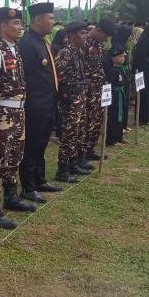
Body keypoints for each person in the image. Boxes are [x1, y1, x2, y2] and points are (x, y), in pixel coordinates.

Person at [0, 7, 36, 230]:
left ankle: (11, 197)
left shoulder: (15, 50)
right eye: (15, 24)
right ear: (3, 26)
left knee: (14, 155)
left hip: (18, 111)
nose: (20, 27)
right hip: (1, 113)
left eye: (20, 23)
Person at [17, 2, 63, 204]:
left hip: (47, 102)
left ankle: (39, 179)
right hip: (34, 104)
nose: (53, 22)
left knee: (42, 143)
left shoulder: (42, 42)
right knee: (32, 145)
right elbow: (23, 76)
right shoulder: (27, 44)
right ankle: (28, 187)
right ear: (37, 20)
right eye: (50, 18)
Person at [54, 22, 90, 182]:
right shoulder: (65, 53)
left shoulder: (79, 52)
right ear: (72, 36)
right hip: (69, 100)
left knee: (78, 132)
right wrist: (64, 97)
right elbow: (57, 78)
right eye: (82, 33)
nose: (85, 36)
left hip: (80, 98)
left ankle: (73, 163)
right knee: (69, 135)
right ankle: (62, 170)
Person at [81, 18, 116, 168]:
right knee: (86, 122)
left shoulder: (98, 45)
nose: (106, 39)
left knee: (96, 122)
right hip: (87, 90)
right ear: (98, 30)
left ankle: (90, 149)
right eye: (105, 35)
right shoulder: (84, 43)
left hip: (98, 89)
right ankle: (80, 154)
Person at [105, 46, 128, 146]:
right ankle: (111, 139)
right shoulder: (113, 70)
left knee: (121, 116)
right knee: (114, 117)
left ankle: (119, 136)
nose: (122, 58)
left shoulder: (121, 69)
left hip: (121, 94)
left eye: (123, 56)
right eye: (119, 57)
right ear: (113, 58)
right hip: (115, 96)